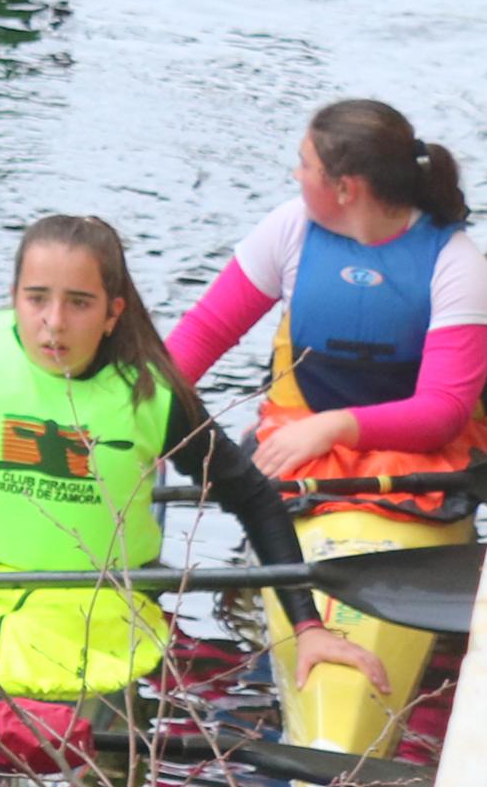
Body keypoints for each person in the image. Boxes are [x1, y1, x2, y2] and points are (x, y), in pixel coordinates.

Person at [0, 217, 380, 759]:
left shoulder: (154, 397)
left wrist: (307, 626)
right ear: (14, 298)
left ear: (113, 313)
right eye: (37, 298)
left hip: (92, 624)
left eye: (79, 303)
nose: (54, 322)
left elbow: (252, 497)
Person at [167, 99, 483, 496]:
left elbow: (443, 412)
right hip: (297, 441)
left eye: (305, 164)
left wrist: (334, 427)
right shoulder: (289, 228)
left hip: (416, 460)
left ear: (344, 188)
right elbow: (205, 333)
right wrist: (138, 409)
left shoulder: (456, 262)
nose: (295, 174)